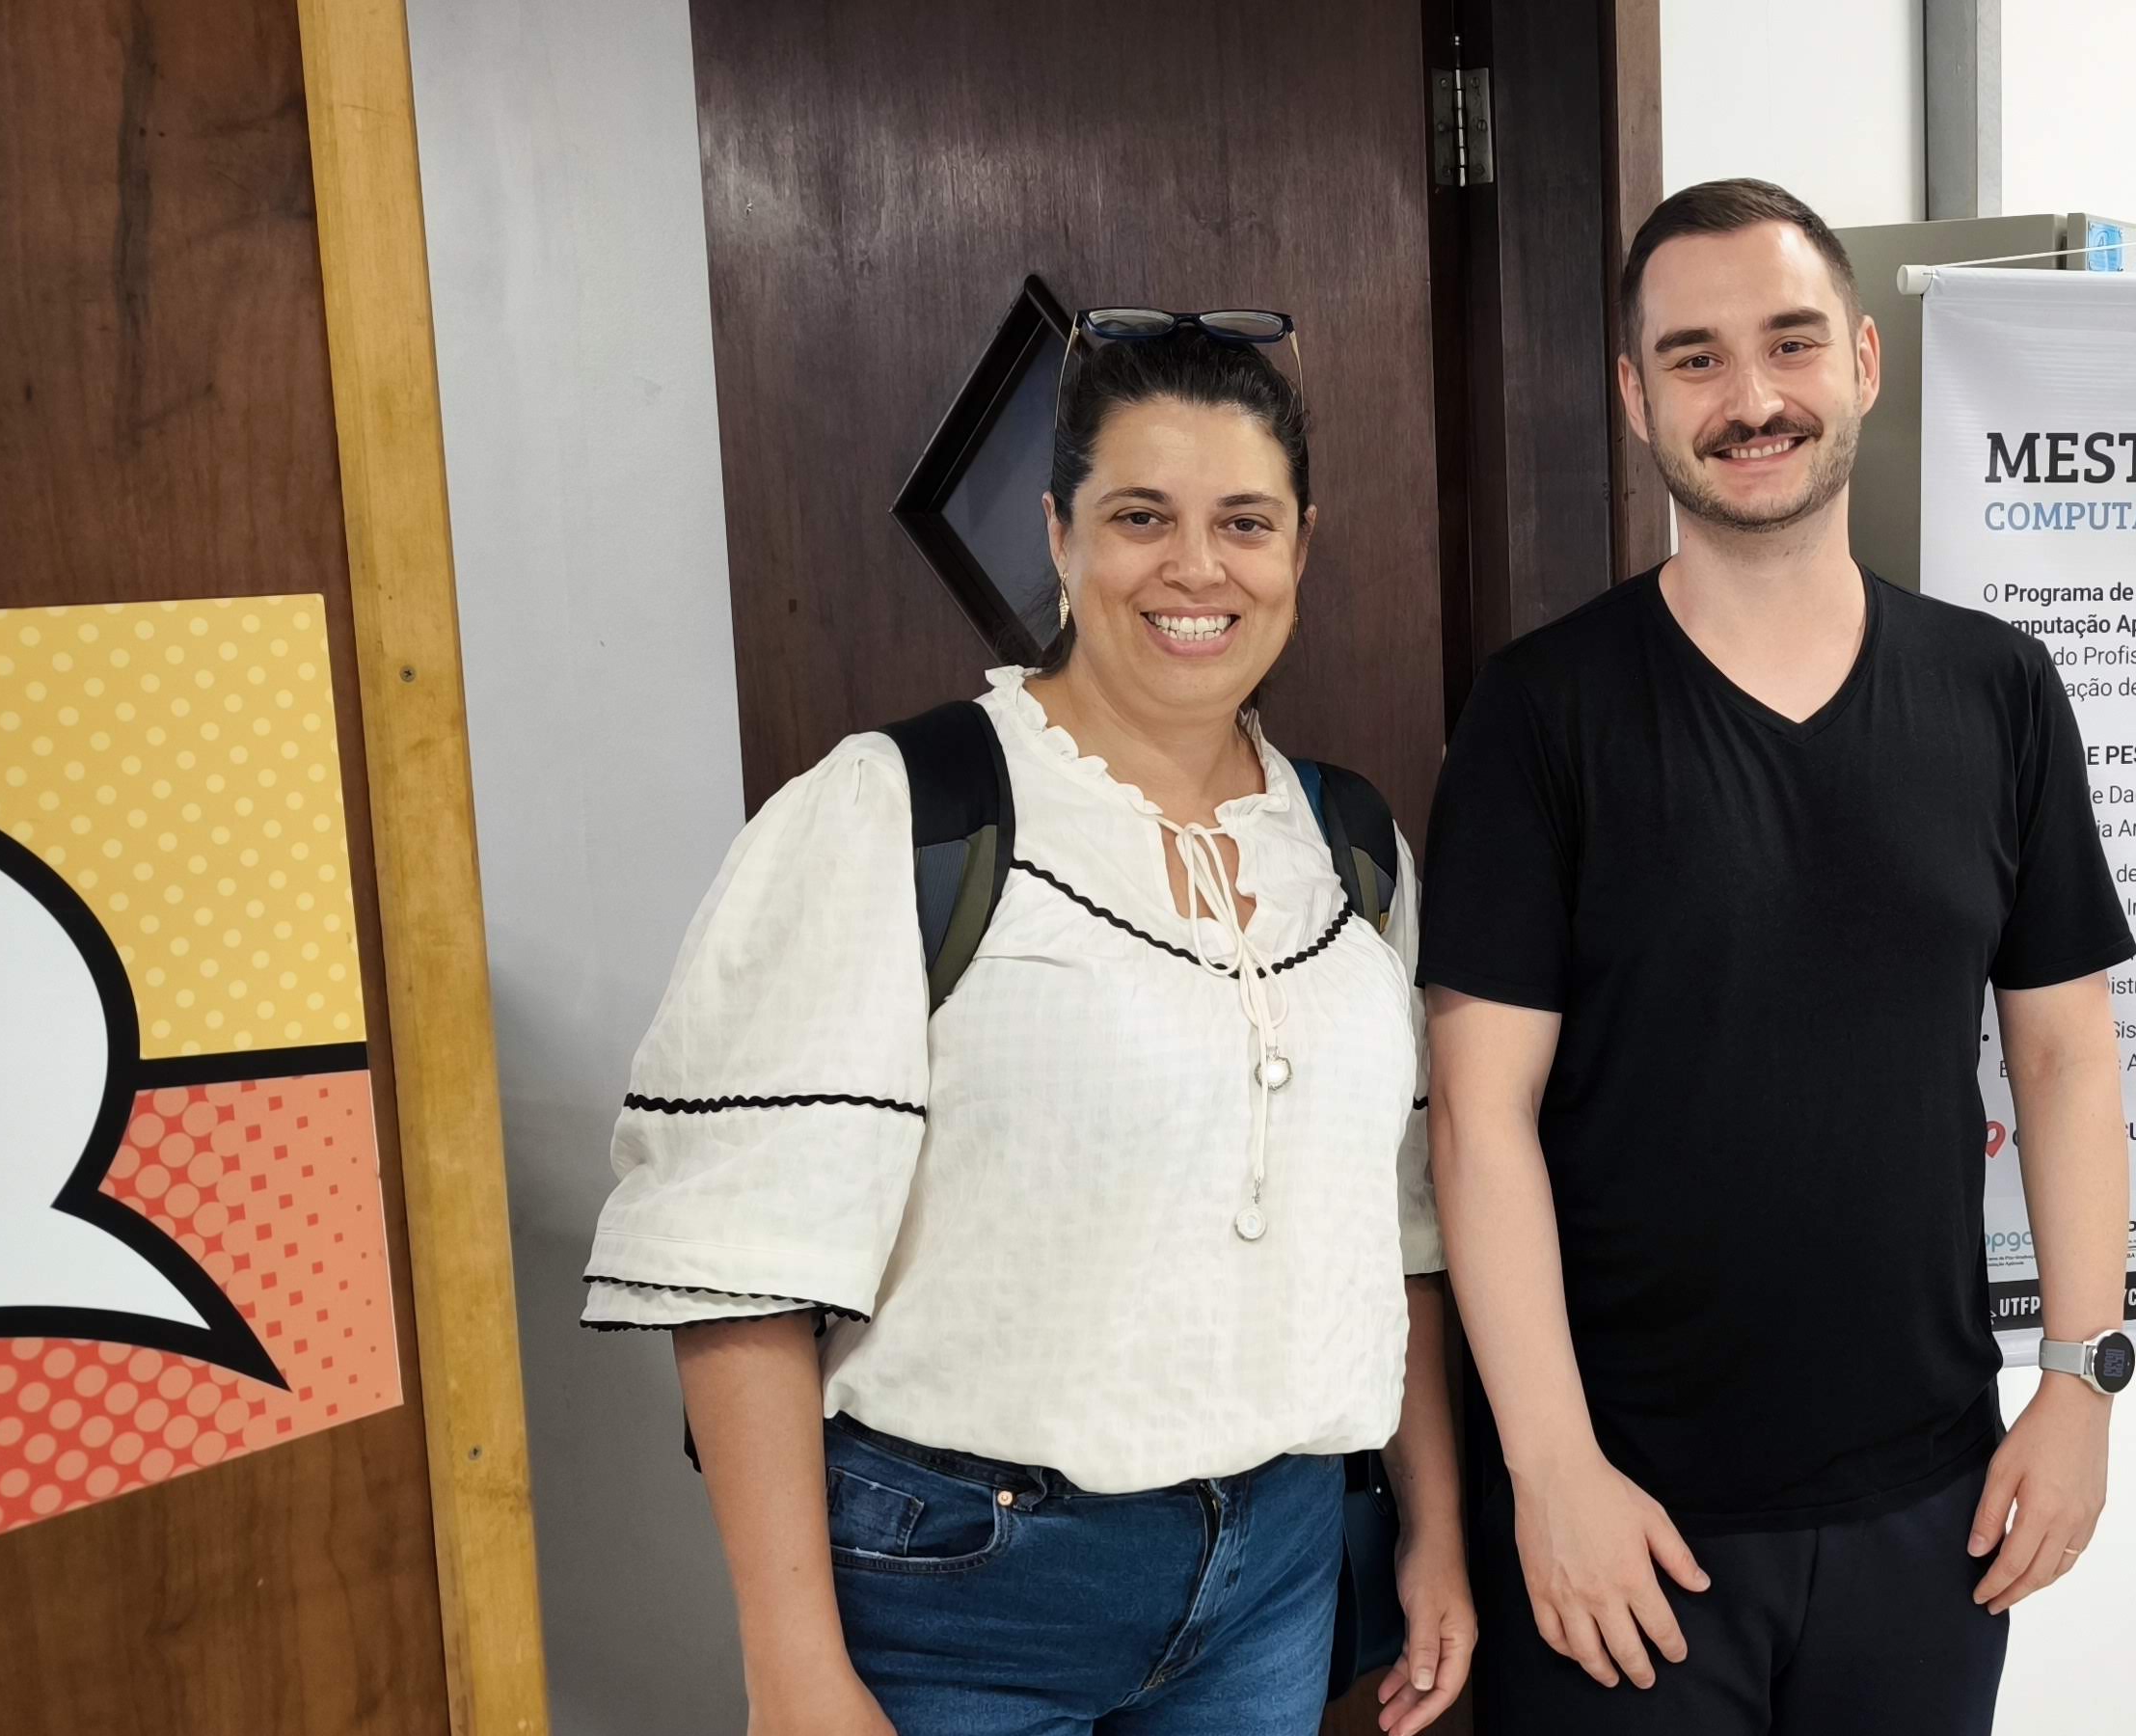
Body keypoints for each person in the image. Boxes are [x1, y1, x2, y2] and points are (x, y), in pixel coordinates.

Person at [581, 317, 1474, 1736]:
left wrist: (1436, 1530)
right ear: (1060, 538)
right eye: (1140, 517)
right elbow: (738, 1262)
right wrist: (793, 1667)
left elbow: (1401, 1228)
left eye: (1245, 521)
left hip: (1277, 1576)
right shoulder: (899, 807)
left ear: (1300, 549)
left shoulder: (1350, 843)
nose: (1197, 568)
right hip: (961, 1588)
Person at [1419, 178, 2136, 1736]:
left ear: (1864, 360)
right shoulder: (1542, 716)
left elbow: (2068, 1056)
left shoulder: (1999, 694)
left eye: (1789, 343)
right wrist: (1548, 1468)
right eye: (1693, 358)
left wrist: (2079, 1383)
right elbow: (1479, 1120)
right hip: (1625, 1522)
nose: (1752, 400)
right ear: (1633, 396)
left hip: (1929, 1504)